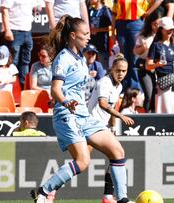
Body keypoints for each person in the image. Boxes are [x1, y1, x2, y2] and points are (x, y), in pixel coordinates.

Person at [30, 15, 132, 203]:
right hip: (66, 115)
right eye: (85, 34)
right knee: (83, 162)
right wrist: (66, 102)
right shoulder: (63, 59)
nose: (89, 37)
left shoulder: (80, 58)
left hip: (83, 114)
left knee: (117, 151)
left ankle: (123, 200)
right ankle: (43, 192)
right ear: (73, 35)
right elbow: (55, 89)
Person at [87, 53, 134, 203]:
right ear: (112, 68)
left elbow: (111, 106)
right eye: (118, 70)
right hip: (90, 125)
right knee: (81, 162)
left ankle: (109, 196)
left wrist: (112, 125)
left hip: (102, 127)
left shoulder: (119, 86)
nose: (121, 74)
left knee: (116, 156)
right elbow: (103, 104)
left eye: (124, 71)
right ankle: (48, 190)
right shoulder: (105, 82)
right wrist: (121, 116)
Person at [112, 0, 148, 91]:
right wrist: (112, 32)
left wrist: (147, 13)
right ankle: (124, 86)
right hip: (121, 24)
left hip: (136, 23)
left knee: (135, 56)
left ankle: (136, 87)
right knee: (124, 56)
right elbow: (113, 13)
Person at [1, 0, 38, 88]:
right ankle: (12, 89)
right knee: (13, 62)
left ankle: (23, 88)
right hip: (15, 30)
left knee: (26, 62)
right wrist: (7, 30)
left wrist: (36, 8)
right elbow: (4, 10)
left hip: (28, 31)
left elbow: (35, 6)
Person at [134, 11, 162, 113]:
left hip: (159, 67)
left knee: (157, 94)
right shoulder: (143, 36)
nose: (156, 26)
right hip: (145, 68)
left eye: (159, 24)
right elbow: (136, 51)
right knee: (149, 94)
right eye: (154, 24)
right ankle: (148, 116)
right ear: (150, 23)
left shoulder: (163, 36)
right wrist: (143, 47)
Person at [88, 0, 112, 70]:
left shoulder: (105, 10)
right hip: (92, 43)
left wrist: (98, 30)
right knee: (91, 66)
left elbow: (111, 27)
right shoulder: (90, 10)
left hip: (102, 44)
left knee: (103, 67)